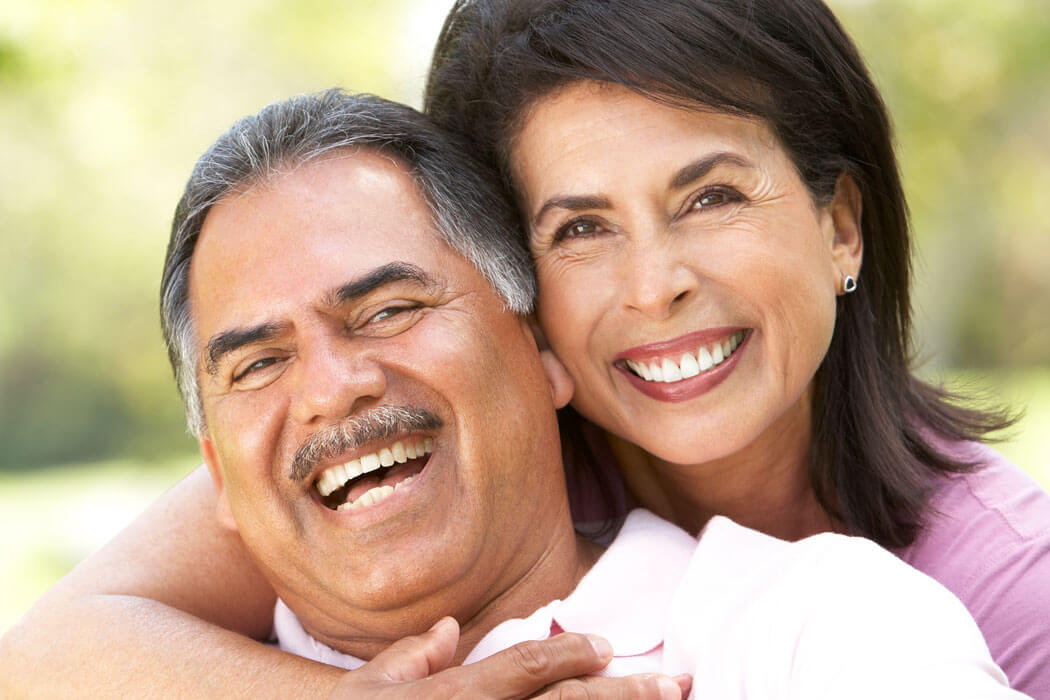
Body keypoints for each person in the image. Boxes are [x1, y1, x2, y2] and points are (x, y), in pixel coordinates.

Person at [3, 0, 1049, 695]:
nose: (653, 285)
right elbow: (44, 650)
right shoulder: (306, 509)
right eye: (581, 228)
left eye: (388, 309)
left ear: (840, 225)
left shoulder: (873, 615)